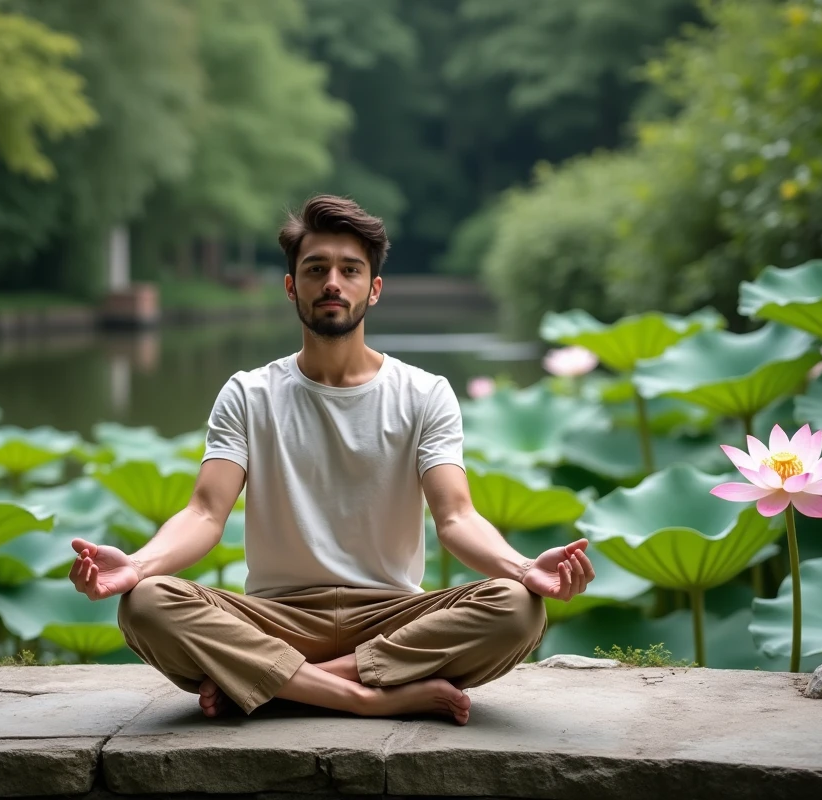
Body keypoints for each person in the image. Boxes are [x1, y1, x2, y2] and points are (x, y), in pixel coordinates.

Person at [68, 195, 595, 725]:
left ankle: (281, 685)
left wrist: (525, 568)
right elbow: (205, 513)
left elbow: (456, 518)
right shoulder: (249, 393)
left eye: (350, 270)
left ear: (374, 288)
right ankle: (365, 695)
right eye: (316, 269)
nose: (332, 283)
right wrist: (136, 566)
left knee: (517, 607)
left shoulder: (424, 393)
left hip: (392, 617)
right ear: (292, 286)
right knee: (145, 603)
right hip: (275, 618)